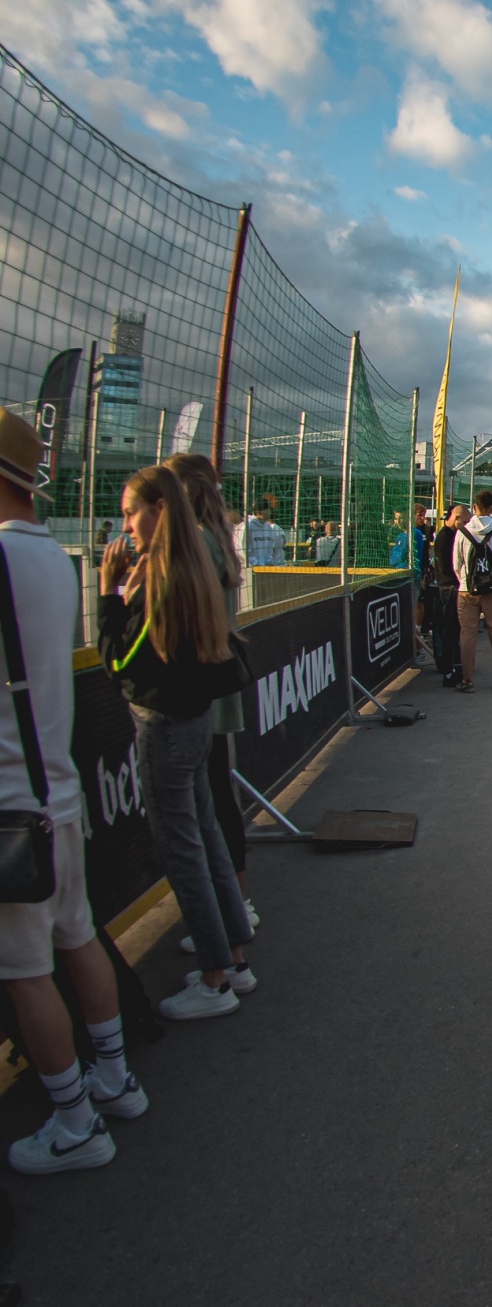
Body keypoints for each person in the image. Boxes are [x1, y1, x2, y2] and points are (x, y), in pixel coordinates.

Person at [0, 409, 146, 1174]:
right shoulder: (55, 560)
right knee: (78, 937)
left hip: (8, 804)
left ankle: (74, 1123)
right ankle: (114, 1079)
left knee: (27, 974)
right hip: (55, 788)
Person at [97, 464, 253, 1021]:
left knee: (184, 853)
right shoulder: (196, 564)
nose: (126, 526)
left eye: (131, 513)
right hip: (195, 721)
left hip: (165, 726)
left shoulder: (163, 577)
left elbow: (120, 661)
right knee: (207, 838)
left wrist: (109, 593)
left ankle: (215, 979)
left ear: (160, 509)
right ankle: (234, 959)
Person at [164, 454, 258, 945]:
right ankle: (235, 904)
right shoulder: (218, 539)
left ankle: (224, 918)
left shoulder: (194, 543)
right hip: (215, 687)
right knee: (219, 797)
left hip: (195, 692)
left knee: (205, 808)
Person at [453, 489, 492, 692]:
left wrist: (464, 579)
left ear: (474, 507)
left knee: (467, 634)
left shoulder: (462, 533)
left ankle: (467, 679)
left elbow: (456, 564)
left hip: (466, 589)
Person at [430, 503, 468, 686]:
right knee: (448, 629)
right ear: (456, 518)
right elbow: (446, 566)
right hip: (448, 588)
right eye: (465, 522)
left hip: (449, 586)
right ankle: (448, 668)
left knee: (451, 629)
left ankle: (452, 664)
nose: (466, 525)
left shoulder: (451, 535)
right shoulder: (445, 537)